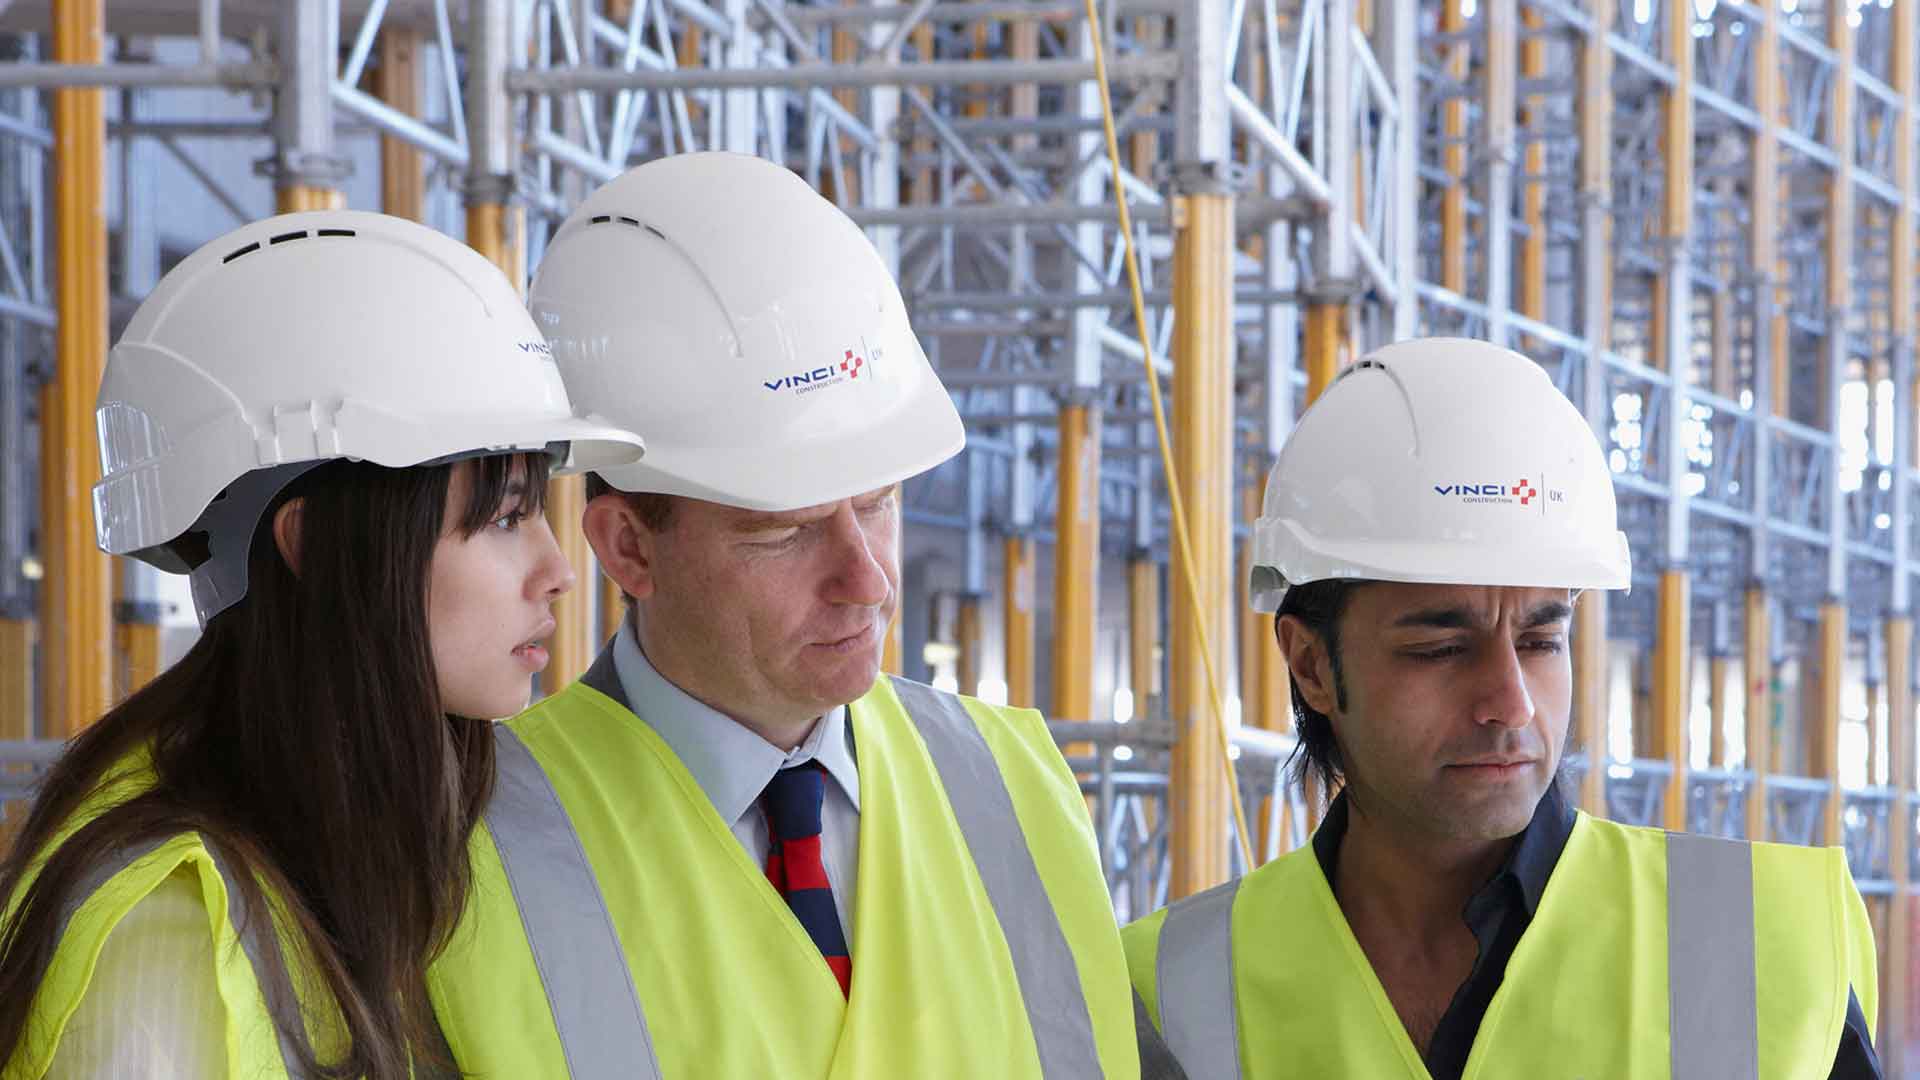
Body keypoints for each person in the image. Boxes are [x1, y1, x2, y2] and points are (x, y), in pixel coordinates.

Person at [427, 152, 1143, 1077]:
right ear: (627, 548)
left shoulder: (1015, 784)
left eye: (878, 501)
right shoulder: (468, 842)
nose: (869, 579)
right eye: (786, 532)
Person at [1122, 337, 1881, 1079]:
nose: (1510, 703)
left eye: (1542, 640)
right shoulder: (1169, 994)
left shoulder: (1766, 944)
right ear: (1312, 665)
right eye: (1441, 649)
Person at [0, 210, 643, 1080]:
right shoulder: (169, 941)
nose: (558, 571)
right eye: (504, 518)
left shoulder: (374, 848)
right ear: (311, 544)